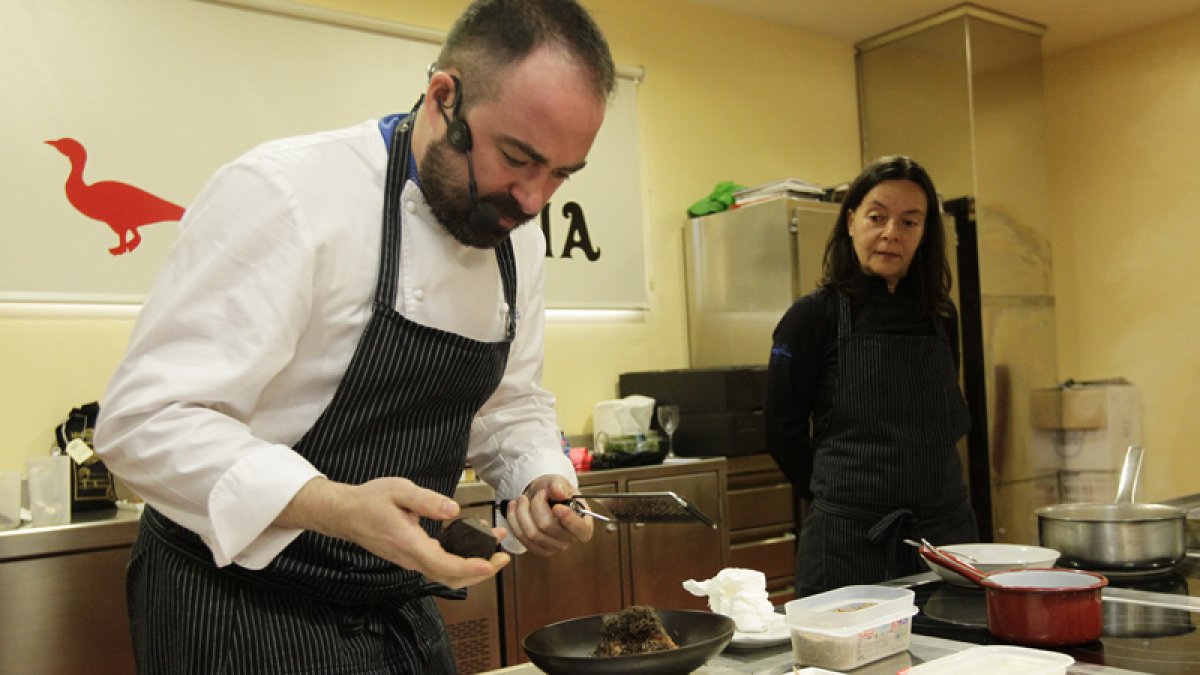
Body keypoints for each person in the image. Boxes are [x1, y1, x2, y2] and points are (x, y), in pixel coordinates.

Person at [93, 1, 615, 672]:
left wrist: (537, 478)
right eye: (517, 157)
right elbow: (143, 422)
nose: (533, 199)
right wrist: (337, 506)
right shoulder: (286, 194)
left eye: (562, 174)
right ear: (443, 96)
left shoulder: (521, 236)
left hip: (392, 600)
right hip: (239, 606)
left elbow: (509, 402)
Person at [763, 156, 978, 597]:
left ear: (924, 234)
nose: (891, 233)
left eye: (910, 222)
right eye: (877, 217)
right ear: (850, 222)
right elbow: (781, 431)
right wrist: (840, 502)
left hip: (944, 541)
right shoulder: (811, 318)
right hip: (848, 547)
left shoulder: (941, 317)